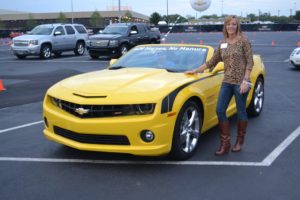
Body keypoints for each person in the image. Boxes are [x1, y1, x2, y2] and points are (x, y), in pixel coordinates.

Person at [185, 15, 254, 155]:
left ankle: (239, 141)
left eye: (234, 24)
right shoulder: (223, 43)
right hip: (227, 82)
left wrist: (246, 80)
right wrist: (196, 70)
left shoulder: (243, 41)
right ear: (225, 26)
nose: (231, 27)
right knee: (220, 110)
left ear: (237, 26)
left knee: (241, 111)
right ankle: (225, 143)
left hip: (241, 82)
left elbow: (250, 62)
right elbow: (212, 61)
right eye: (229, 24)